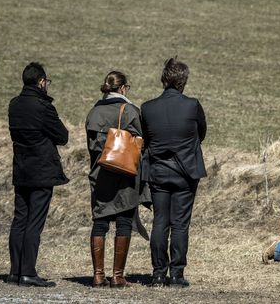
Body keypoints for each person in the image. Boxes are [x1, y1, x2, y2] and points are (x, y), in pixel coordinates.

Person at [141, 57, 207, 288]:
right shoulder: (192, 105)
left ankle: (158, 273)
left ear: (163, 80)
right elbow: (202, 133)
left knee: (160, 222)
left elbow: (146, 140)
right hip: (185, 172)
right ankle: (177, 274)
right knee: (180, 224)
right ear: (183, 81)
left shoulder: (147, 108)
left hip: (158, 172)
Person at [7, 62, 69, 287]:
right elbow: (62, 136)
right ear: (41, 82)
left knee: (19, 220)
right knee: (35, 222)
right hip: (42, 170)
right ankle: (28, 272)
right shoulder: (43, 107)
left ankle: (15, 272)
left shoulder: (14, 104)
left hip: (21, 168)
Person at [84, 71, 145, 288]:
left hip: (100, 174)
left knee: (100, 222)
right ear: (123, 88)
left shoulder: (93, 112)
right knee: (124, 222)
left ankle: (98, 275)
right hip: (125, 174)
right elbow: (140, 144)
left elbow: (90, 147)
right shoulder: (129, 110)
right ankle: (117, 276)